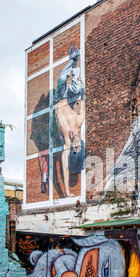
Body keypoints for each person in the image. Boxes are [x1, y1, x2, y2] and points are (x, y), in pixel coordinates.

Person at [54, 46, 86, 197]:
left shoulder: (67, 144)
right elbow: (82, 98)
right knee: (78, 86)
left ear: (73, 148)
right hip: (71, 97)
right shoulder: (80, 120)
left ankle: (72, 61)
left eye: (76, 148)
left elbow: (65, 168)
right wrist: (78, 81)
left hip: (59, 98)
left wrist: (67, 192)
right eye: (80, 146)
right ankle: (75, 64)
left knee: (61, 78)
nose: (77, 144)